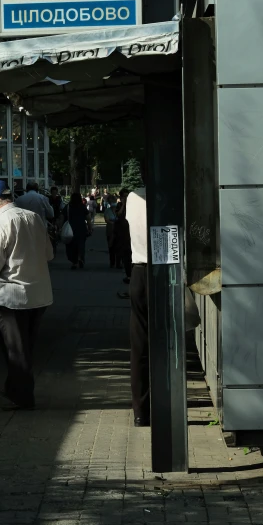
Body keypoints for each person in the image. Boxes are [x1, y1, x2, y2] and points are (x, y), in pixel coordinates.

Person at [0, 180, 53, 410]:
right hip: (40, 294)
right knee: (26, 347)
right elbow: (49, 254)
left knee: (15, 350)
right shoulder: (33, 218)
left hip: (13, 296)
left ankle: (23, 397)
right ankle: (15, 389)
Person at [125, 182, 149, 427]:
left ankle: (141, 411)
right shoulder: (172, 193)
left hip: (139, 271)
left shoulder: (133, 198)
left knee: (140, 345)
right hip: (166, 270)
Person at [61, 192, 92, 270]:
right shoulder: (82, 207)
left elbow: (61, 217)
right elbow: (88, 218)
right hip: (81, 228)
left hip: (70, 229)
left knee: (70, 246)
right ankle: (80, 257)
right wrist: (90, 228)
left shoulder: (68, 207)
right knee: (80, 245)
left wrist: (60, 227)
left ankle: (74, 262)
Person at [104, 194, 122, 269]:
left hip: (118, 231)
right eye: (111, 201)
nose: (112, 202)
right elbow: (107, 220)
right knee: (111, 247)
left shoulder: (119, 209)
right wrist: (115, 222)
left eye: (113, 200)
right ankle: (112, 262)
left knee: (119, 247)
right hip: (110, 230)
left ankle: (118, 262)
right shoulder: (107, 211)